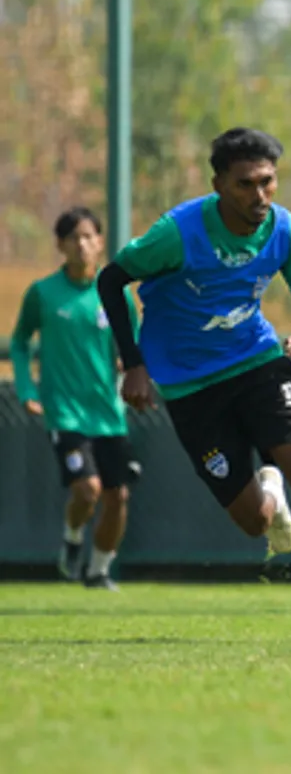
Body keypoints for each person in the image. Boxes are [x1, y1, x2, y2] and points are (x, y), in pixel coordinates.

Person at [97, 127, 291, 645]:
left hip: (258, 361)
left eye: (268, 182)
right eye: (245, 185)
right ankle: (268, 491)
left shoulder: (286, 231)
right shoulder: (179, 232)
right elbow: (111, 279)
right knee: (254, 524)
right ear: (218, 184)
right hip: (190, 386)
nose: (259, 196)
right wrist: (135, 363)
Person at [10, 207, 141, 590]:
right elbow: (19, 343)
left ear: (100, 243)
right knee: (88, 490)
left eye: (89, 237)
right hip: (65, 411)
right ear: (61, 246)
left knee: (118, 498)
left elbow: (133, 345)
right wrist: (26, 389)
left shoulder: (115, 294)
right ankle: (72, 538)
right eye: (74, 238)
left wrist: (131, 366)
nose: (82, 245)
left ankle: (98, 570)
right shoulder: (43, 293)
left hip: (109, 412)